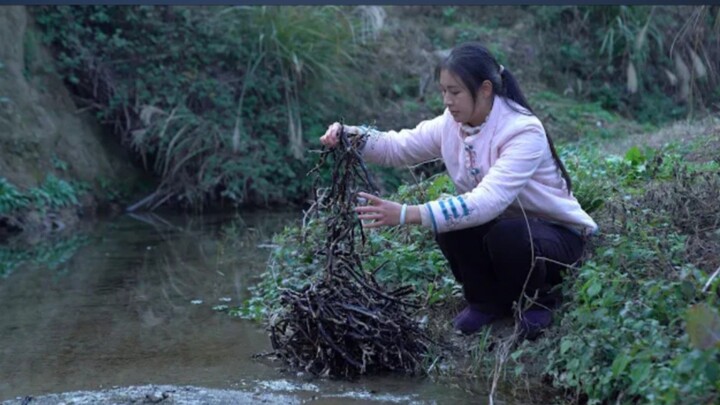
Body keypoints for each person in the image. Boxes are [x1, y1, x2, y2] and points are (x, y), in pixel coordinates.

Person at [319, 42, 597, 338]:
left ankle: (539, 301)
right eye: (444, 91)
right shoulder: (450, 124)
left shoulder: (522, 131)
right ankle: (486, 302)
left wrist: (405, 213)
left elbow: (487, 202)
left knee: (508, 233)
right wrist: (352, 136)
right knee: (453, 226)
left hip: (558, 238)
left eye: (456, 92)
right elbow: (397, 147)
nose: (448, 101)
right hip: (507, 228)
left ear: (486, 89)